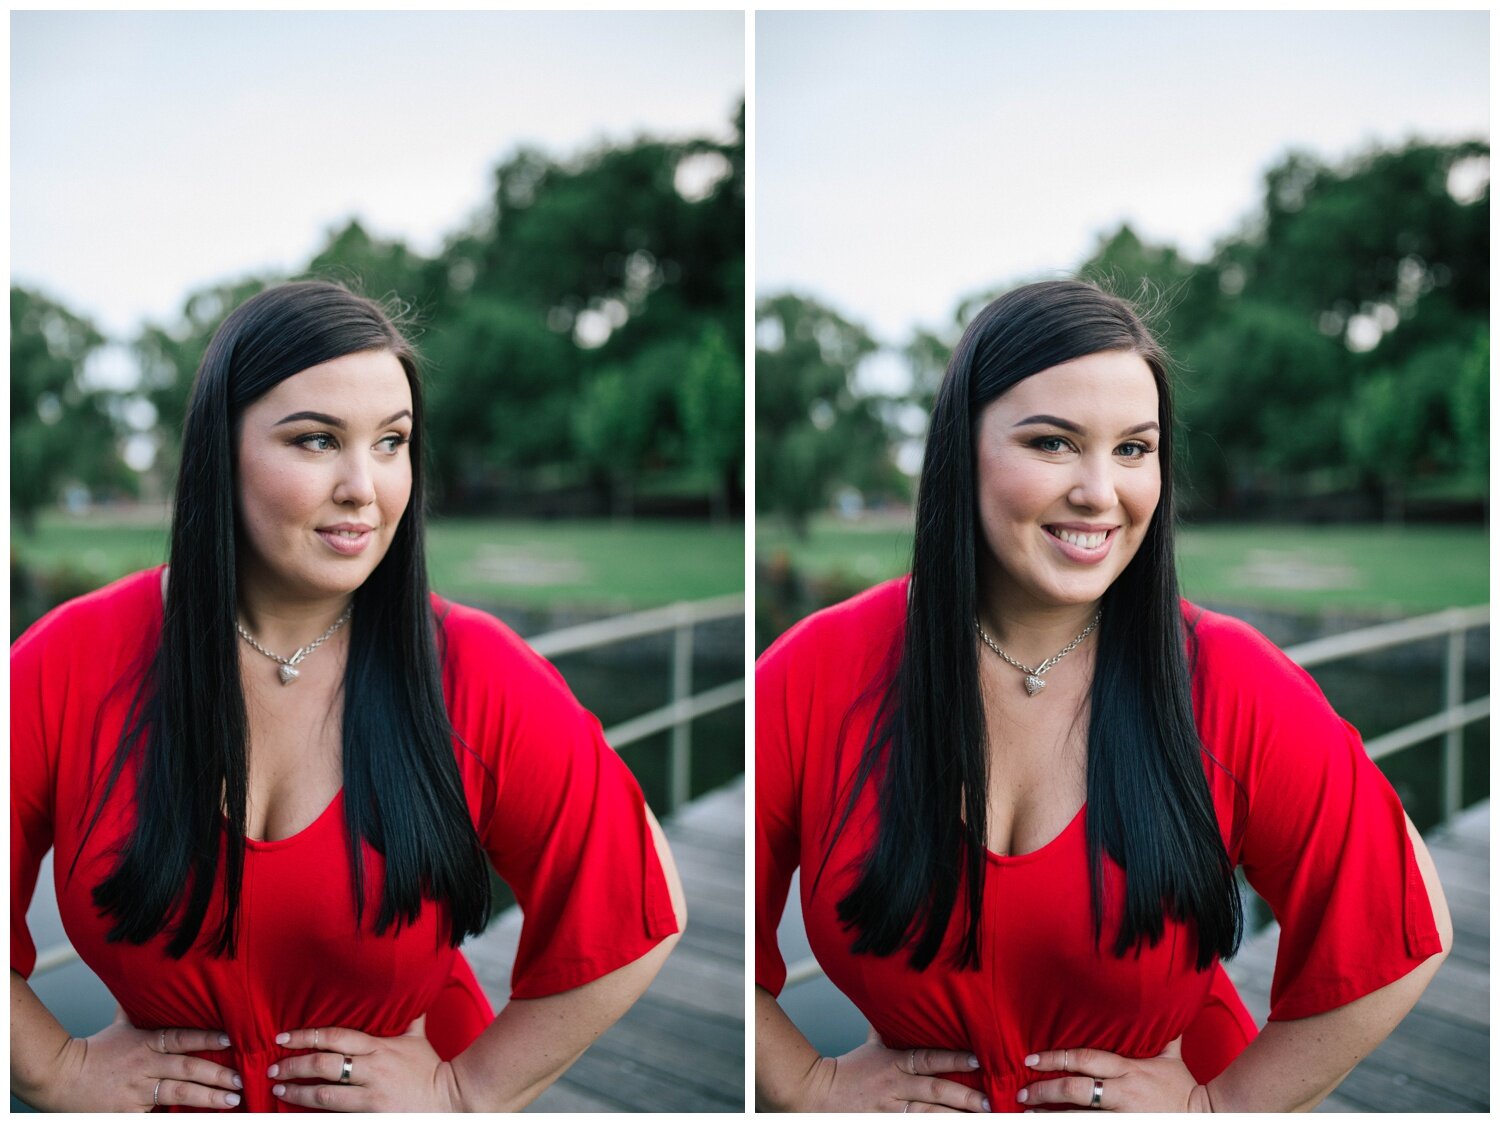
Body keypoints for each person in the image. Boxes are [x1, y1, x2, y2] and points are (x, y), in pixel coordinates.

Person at [755, 280, 1451, 1113]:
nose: (1100, 490)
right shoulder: (817, 672)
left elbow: (1404, 923)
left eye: (1133, 448)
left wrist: (1218, 1106)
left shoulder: (1228, 682)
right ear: (960, 448)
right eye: (1053, 442)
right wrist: (806, 1082)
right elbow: (680, 912)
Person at [12, 280, 686, 1112]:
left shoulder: (469, 670)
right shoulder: (71, 661)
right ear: (219, 449)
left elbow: (641, 904)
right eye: (317, 440)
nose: (363, 487)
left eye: (391, 441)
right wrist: (51, 1068)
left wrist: (465, 1091)